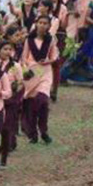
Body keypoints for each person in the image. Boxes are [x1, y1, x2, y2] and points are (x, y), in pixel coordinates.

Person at [22, 15, 59, 144]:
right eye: (40, 23)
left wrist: (47, 60)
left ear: (49, 26)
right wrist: (25, 70)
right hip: (32, 73)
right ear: (36, 24)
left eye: (45, 23)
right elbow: (24, 57)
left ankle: (44, 130)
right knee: (32, 106)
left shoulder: (51, 40)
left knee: (42, 101)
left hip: (45, 71)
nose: (42, 25)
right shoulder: (29, 40)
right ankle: (33, 133)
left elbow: (54, 55)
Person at [0, 39, 24, 166]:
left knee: (6, 127)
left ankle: (5, 153)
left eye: (10, 49)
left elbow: (20, 83)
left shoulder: (16, 66)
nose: (8, 52)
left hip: (10, 101)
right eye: (5, 49)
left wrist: (14, 94)